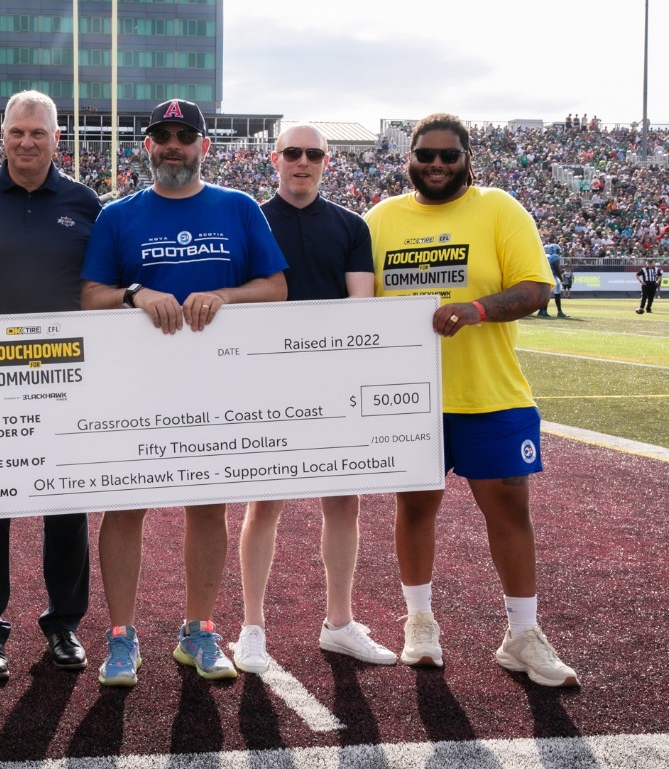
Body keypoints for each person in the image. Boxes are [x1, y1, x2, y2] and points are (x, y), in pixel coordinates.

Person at [365, 112, 578, 687]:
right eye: (426, 155)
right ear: (408, 159)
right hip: (409, 399)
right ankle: (419, 622)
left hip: (491, 393)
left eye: (449, 156)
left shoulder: (499, 208)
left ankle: (522, 634)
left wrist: (477, 309)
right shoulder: (380, 219)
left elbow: (536, 287)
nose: (437, 165)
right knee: (414, 509)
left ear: (467, 159)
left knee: (510, 512)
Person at [81, 98, 288, 686]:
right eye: (163, 135)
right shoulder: (118, 216)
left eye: (185, 135)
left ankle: (198, 629)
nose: (174, 145)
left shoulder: (239, 207)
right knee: (124, 505)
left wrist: (224, 296)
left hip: (217, 384)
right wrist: (134, 294)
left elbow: (275, 288)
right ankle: (121, 637)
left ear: (204, 145)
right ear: (147, 145)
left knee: (208, 506)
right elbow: (91, 295)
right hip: (135, 383)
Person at [0, 90, 100, 682]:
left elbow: (96, 286)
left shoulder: (85, 203)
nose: (27, 142)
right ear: (2, 135)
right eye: (17, 133)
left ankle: (64, 624)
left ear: (58, 137)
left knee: (66, 506)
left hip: (66, 373)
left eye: (38, 133)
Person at [234, 124, 395, 674]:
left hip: (334, 380)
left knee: (343, 503)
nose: (303, 161)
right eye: (293, 152)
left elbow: (361, 305)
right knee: (264, 505)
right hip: (265, 382)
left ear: (327, 161)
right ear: (275, 158)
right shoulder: (248, 219)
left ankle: (340, 623)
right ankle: (252, 626)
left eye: (315, 154)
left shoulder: (351, 226)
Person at [537, 243, 569, 318]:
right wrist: (561, 279)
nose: (558, 252)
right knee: (557, 294)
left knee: (545, 295)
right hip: (551, 277)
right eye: (557, 250)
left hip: (543, 277)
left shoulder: (544, 256)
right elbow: (557, 269)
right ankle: (559, 312)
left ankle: (542, 310)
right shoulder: (554, 257)